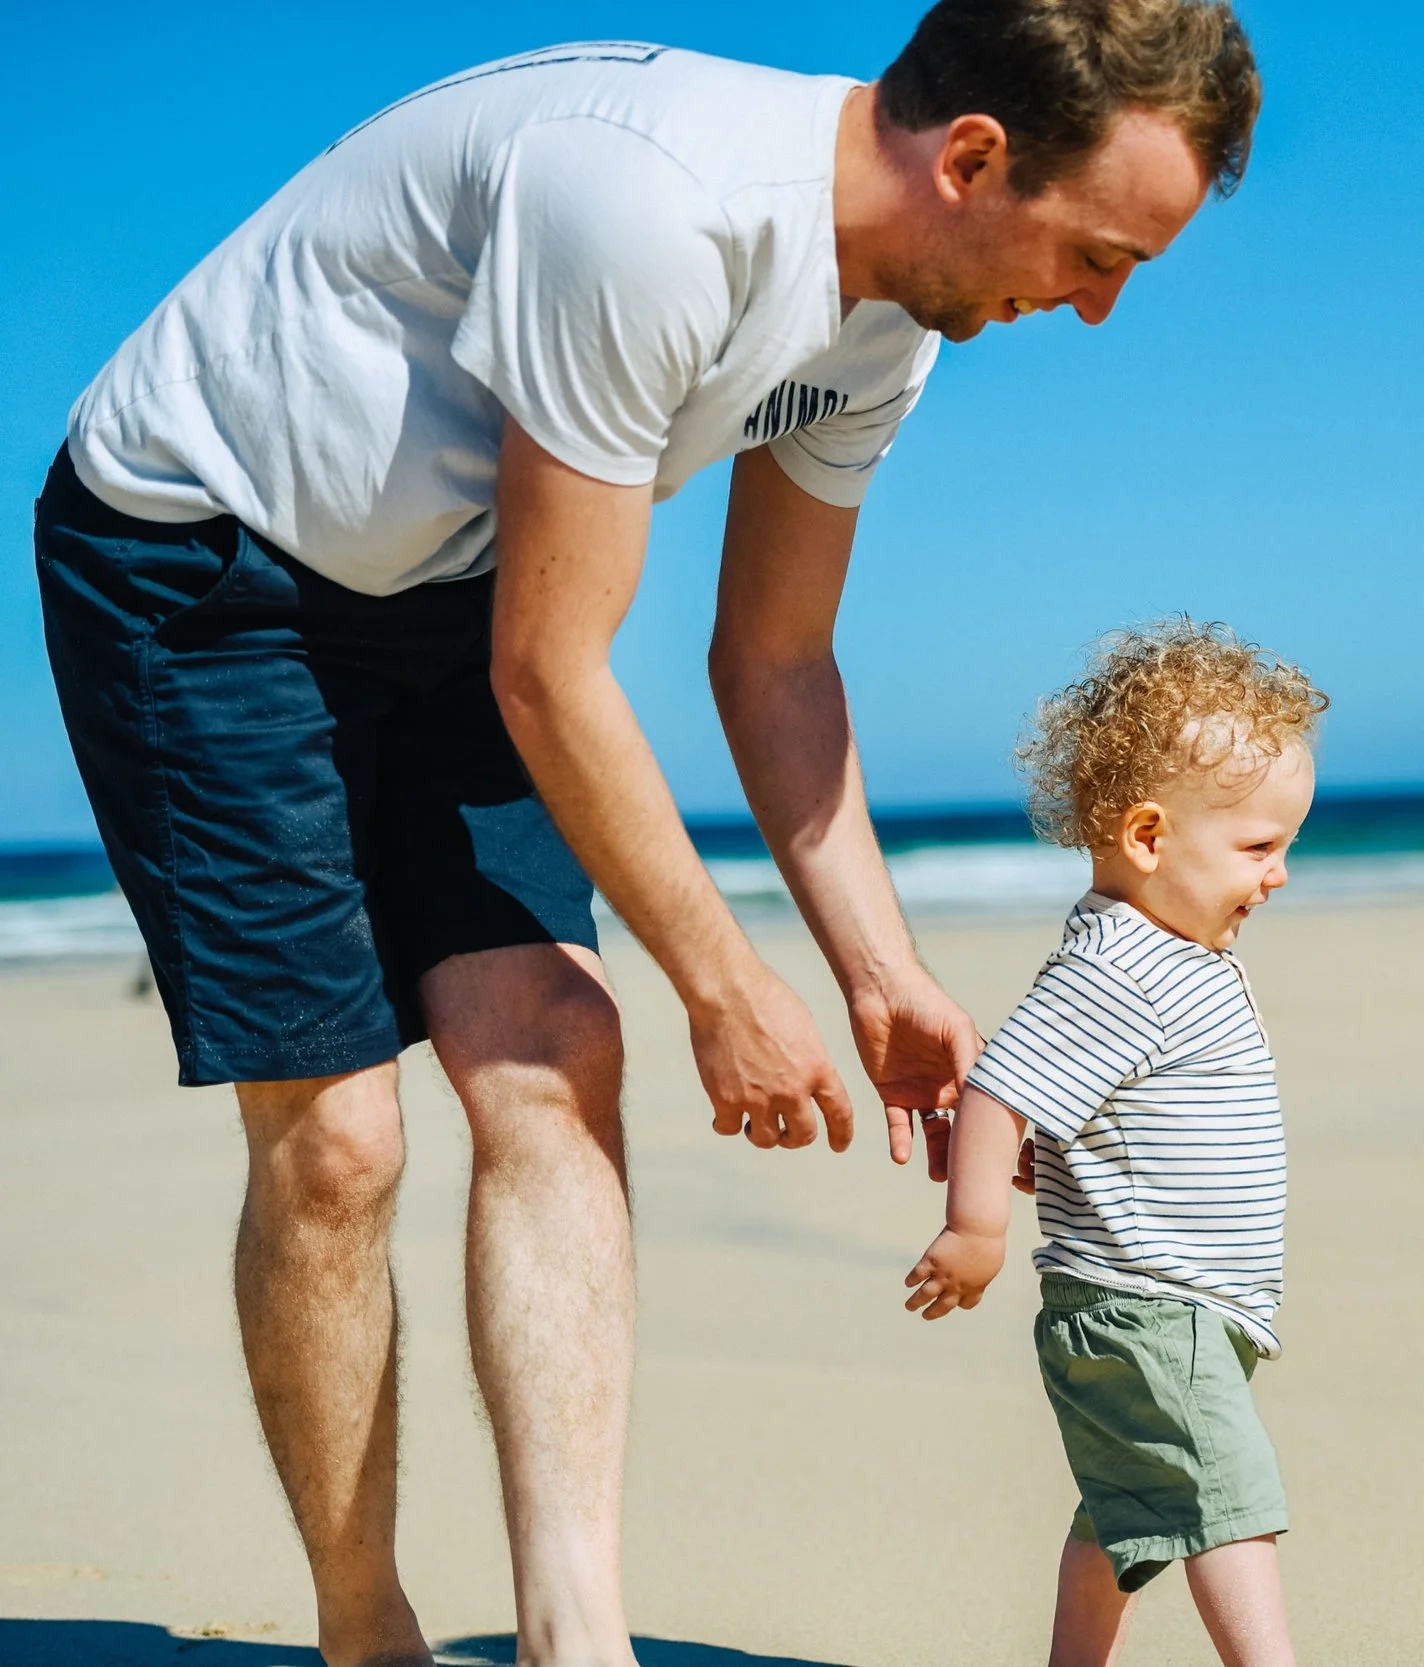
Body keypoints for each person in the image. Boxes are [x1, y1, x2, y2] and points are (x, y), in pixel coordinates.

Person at [32, 5, 1260, 1664]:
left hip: (453, 576)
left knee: (554, 1048)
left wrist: (877, 973)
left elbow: (773, 658)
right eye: (1098, 254)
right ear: (972, 160)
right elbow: (552, 670)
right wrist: (727, 982)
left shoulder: (891, 317)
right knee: (337, 1147)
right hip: (202, 562)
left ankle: (573, 1636)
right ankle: (359, 1625)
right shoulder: (655, 211)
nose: (1097, 307)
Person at [905, 620, 1324, 1667]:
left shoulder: (1160, 949)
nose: (1277, 875)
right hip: (1148, 1303)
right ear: (1147, 836)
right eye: (1258, 846)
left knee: (1123, 1517)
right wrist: (975, 1227)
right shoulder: (1124, 964)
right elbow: (1001, 1085)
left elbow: (1064, 1103)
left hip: (1180, 1304)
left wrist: (1058, 1154)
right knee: (1231, 1505)